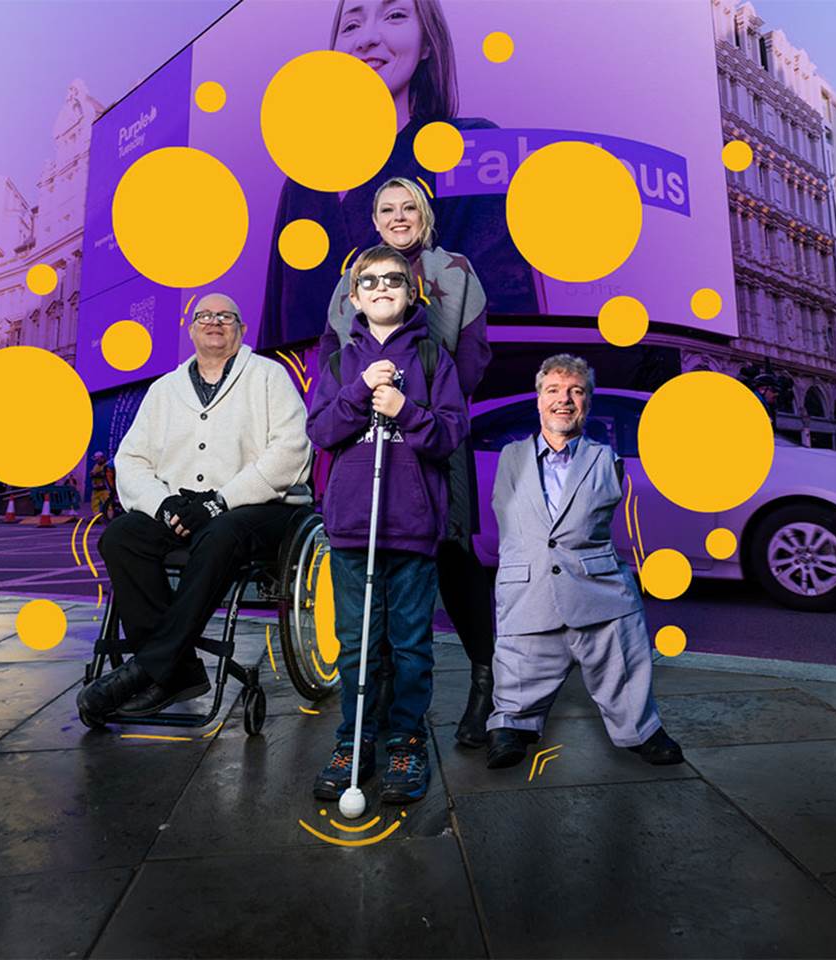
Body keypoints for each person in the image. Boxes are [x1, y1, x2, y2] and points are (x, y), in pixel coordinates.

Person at [76, 293, 313, 724]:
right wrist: (164, 504)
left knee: (222, 533)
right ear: (191, 330)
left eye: (226, 316)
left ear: (241, 329)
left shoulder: (268, 376)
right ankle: (180, 671)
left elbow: (291, 449)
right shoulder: (164, 389)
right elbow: (131, 461)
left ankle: (150, 668)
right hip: (182, 506)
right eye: (205, 315)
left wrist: (221, 502)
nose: (215, 322)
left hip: (260, 506)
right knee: (121, 537)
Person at [320, 176, 495, 746]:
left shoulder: (456, 271)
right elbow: (331, 358)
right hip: (364, 440)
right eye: (387, 210)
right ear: (375, 220)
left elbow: (471, 359)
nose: (399, 217)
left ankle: (484, 680)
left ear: (424, 215)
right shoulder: (353, 276)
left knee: (452, 549)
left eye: (409, 208)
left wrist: (420, 397)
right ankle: (382, 711)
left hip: (431, 427)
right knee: (374, 576)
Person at [257, 0, 541, 350]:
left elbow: (505, 325)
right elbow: (274, 338)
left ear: (426, 43)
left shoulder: (474, 151)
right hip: (314, 401)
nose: (365, 39)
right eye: (350, 26)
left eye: (394, 16)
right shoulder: (303, 184)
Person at [307, 245, 468, 802]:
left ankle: (405, 739)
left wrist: (404, 409)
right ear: (354, 297)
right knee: (357, 645)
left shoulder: (431, 359)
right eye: (369, 281)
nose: (381, 288)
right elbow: (322, 430)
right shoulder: (336, 364)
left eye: (393, 280)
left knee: (410, 646)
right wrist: (358, 392)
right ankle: (355, 738)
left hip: (411, 528)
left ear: (410, 291)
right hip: (354, 528)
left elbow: (450, 434)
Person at [486, 354, 683, 769]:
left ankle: (641, 729)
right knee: (520, 665)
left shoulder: (605, 460)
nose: (565, 400)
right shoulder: (510, 458)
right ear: (538, 400)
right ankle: (511, 725)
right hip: (529, 585)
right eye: (554, 390)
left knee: (621, 649)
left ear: (587, 404)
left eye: (576, 391)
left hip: (596, 584)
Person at [89, 452, 110, 517]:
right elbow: (93, 473)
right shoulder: (96, 466)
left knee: (107, 503)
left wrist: (96, 475)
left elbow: (105, 474)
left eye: (98, 459)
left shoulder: (107, 465)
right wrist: (92, 475)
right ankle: (96, 516)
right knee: (94, 503)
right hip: (96, 489)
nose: (97, 461)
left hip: (104, 489)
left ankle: (109, 516)